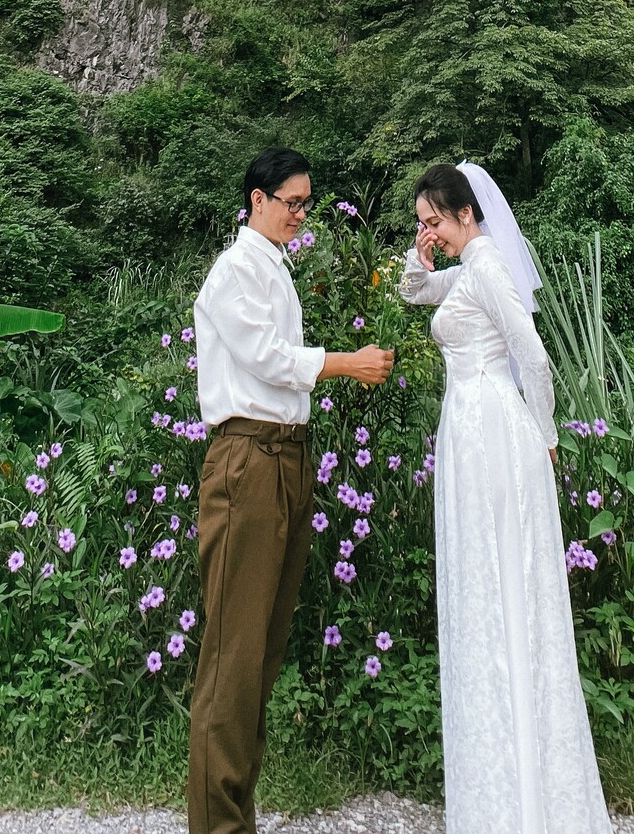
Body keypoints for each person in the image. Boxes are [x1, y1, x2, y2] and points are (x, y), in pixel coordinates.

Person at [400, 161, 612, 834]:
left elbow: (536, 358)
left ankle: (524, 798)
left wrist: (546, 437)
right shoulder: (467, 269)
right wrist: (420, 252)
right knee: (485, 585)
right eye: (422, 222)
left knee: (503, 585)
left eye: (435, 220)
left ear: (467, 213)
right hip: (469, 430)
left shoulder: (488, 268)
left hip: (493, 427)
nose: (430, 231)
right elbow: (414, 292)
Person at [188, 147, 394, 834]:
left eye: (307, 203)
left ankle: (235, 817)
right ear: (258, 200)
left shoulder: (274, 268)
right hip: (247, 461)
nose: (302, 214)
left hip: (285, 460)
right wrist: (347, 363)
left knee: (261, 653)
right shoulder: (235, 271)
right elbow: (267, 360)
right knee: (233, 659)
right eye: (293, 203)